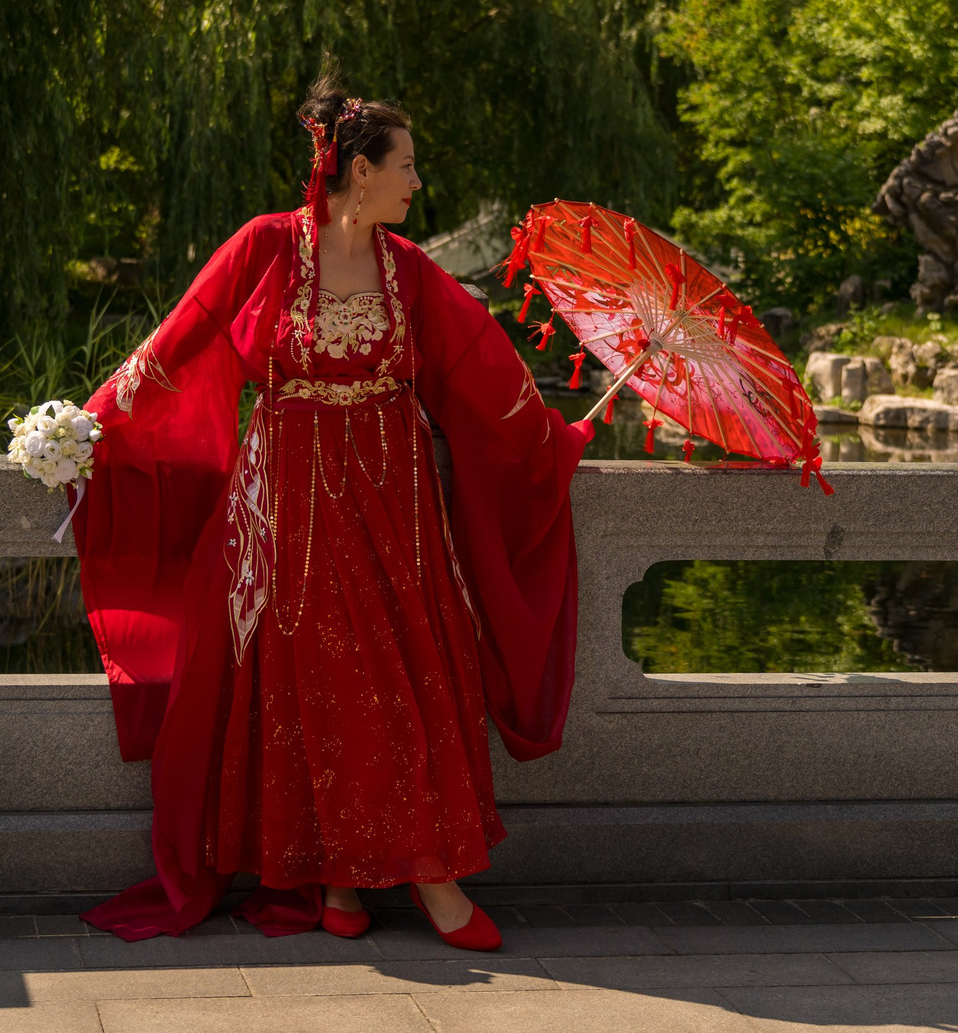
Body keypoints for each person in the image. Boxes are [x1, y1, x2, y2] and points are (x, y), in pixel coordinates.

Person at [71, 78, 588, 947]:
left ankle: (376, 878)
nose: (418, 183)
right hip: (288, 503)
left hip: (394, 503)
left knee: (403, 668)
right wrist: (85, 425)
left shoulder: (410, 272)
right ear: (360, 169)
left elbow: (485, 372)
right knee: (317, 676)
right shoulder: (268, 246)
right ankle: (376, 878)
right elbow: (176, 342)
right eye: (408, 165)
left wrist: (551, 437)